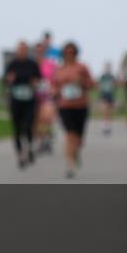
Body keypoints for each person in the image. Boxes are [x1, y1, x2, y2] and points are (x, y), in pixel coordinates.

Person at [51, 41, 95, 179]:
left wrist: (82, 83)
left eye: (72, 52)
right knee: (70, 135)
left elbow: (91, 84)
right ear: (63, 54)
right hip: (65, 106)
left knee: (79, 138)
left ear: (76, 53)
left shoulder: (82, 67)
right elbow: (53, 86)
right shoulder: (59, 70)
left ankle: (76, 153)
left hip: (81, 105)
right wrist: (56, 91)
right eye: (67, 52)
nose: (69, 54)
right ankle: (69, 166)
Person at [4, 41, 41, 169]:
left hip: (29, 100)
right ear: (17, 51)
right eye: (20, 49)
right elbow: (5, 80)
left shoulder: (32, 64)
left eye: (24, 49)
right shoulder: (12, 64)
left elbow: (38, 79)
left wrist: (35, 83)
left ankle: (29, 147)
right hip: (15, 100)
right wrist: (9, 80)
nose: (22, 51)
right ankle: (20, 154)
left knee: (28, 125)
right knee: (17, 128)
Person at [33, 41, 59, 155]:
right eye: (37, 51)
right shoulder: (32, 64)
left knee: (47, 117)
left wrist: (54, 89)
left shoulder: (51, 64)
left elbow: (56, 78)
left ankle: (46, 140)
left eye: (41, 50)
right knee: (38, 121)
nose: (39, 52)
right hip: (34, 96)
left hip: (47, 95)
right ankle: (42, 141)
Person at [98, 62, 117, 137]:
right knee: (105, 111)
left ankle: (109, 125)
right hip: (104, 95)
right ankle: (105, 126)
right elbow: (100, 87)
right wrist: (100, 97)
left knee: (110, 111)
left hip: (110, 96)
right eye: (106, 67)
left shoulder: (112, 77)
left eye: (108, 67)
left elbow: (114, 87)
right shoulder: (102, 77)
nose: (107, 69)